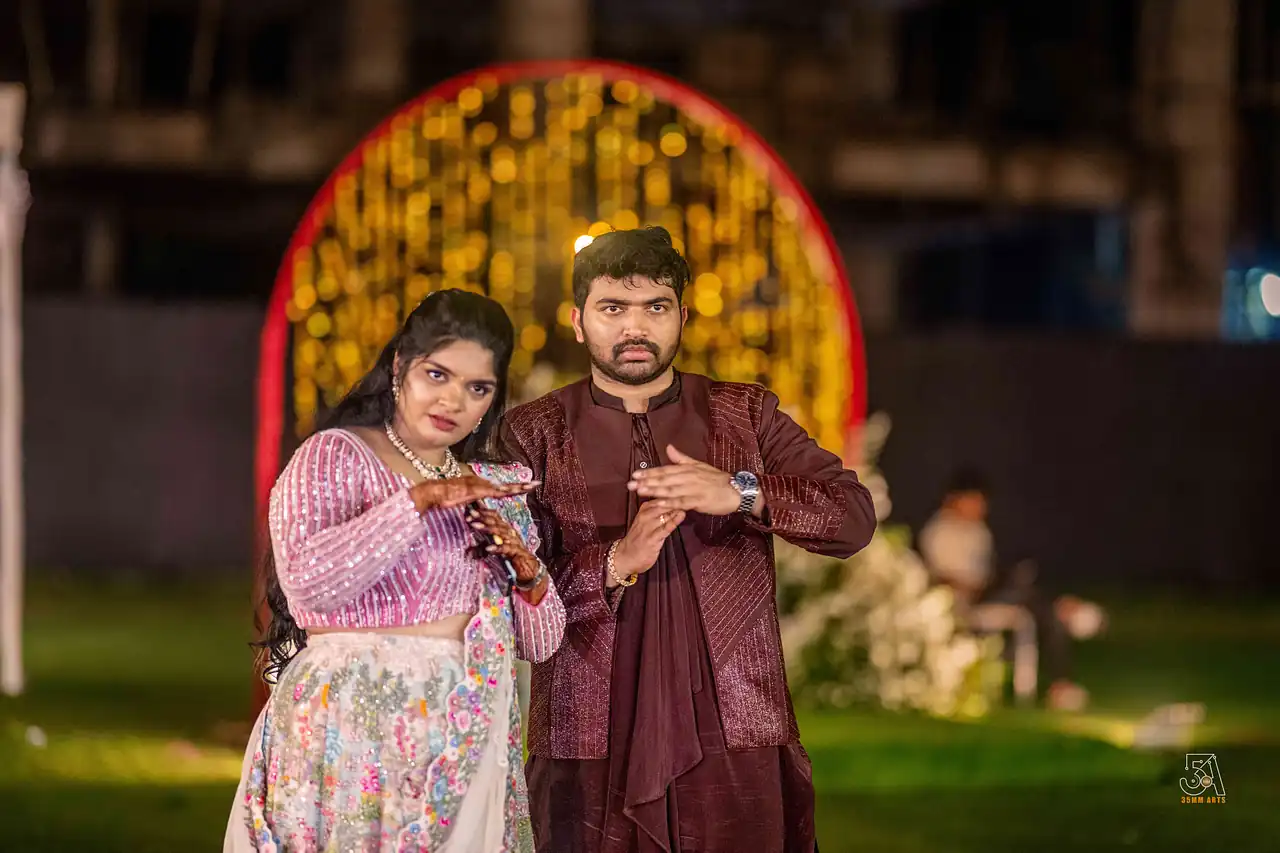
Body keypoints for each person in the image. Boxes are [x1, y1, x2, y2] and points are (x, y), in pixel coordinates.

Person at [499, 227, 877, 853]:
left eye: (656, 306)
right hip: (587, 733)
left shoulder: (743, 415)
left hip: (735, 726)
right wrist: (614, 562)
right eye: (613, 308)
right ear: (577, 321)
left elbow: (853, 518)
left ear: (681, 316)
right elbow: (507, 593)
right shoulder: (533, 433)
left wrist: (742, 492)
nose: (635, 327)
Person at [225, 289, 566, 853]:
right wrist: (421, 500)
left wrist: (526, 570)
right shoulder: (336, 456)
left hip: (461, 732)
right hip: (352, 726)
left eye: (477, 388)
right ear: (400, 366)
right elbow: (309, 587)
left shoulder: (491, 488)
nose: (453, 400)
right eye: (437, 374)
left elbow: (542, 642)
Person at [917, 468, 1094, 711]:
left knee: (1029, 592)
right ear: (953, 499)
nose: (980, 508)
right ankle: (1068, 619)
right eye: (974, 501)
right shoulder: (938, 533)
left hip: (989, 595)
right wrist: (978, 585)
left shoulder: (979, 532)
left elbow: (986, 571)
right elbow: (942, 579)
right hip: (962, 603)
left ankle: (1061, 620)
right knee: (1032, 600)